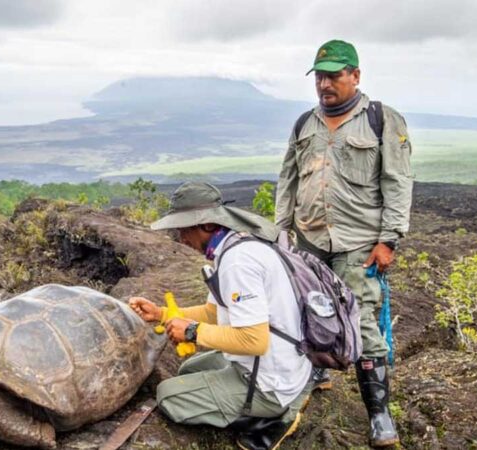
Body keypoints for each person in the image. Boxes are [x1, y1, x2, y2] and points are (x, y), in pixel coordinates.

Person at [275, 39, 412, 448]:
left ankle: (379, 414)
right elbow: (289, 179)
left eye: (334, 75)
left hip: (358, 242)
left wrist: (389, 240)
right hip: (310, 236)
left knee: (363, 321)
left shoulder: (381, 120)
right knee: (307, 311)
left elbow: (398, 182)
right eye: (319, 76)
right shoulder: (305, 124)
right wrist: (281, 232)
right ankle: (315, 376)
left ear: (355, 75)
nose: (325, 84)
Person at [129, 181, 313, 450]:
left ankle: (275, 417)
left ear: (206, 225)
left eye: (184, 228)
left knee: (168, 397)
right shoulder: (232, 249)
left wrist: (192, 332)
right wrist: (161, 313)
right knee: (188, 370)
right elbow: (212, 313)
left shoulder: (237, 263)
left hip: (270, 380)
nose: (182, 238)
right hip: (279, 360)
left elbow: (254, 340)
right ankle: (283, 396)